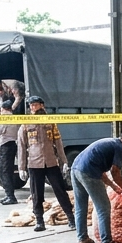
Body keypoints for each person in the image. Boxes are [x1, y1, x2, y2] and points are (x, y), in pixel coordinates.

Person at [73, 130, 122, 243]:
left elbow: (102, 172)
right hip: (88, 172)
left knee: (81, 206)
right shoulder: (120, 147)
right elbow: (115, 172)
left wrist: (114, 186)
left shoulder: (110, 143)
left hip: (76, 168)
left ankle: (82, 238)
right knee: (103, 207)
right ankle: (107, 241)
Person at [18, 95, 75, 232]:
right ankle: (39, 220)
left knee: (60, 190)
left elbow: (58, 143)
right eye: (31, 105)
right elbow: (21, 145)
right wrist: (22, 167)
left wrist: (64, 161)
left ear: (42, 105)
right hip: (34, 163)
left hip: (51, 162)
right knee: (37, 194)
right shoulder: (26, 123)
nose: (33, 107)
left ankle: (71, 218)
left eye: (36, 105)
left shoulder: (50, 121)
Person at [0, 100, 23, 205]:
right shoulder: (15, 118)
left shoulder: (4, 118)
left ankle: (10, 196)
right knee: (8, 171)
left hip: (5, 145)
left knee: (4, 171)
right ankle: (8, 195)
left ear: (4, 109)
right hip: (13, 144)